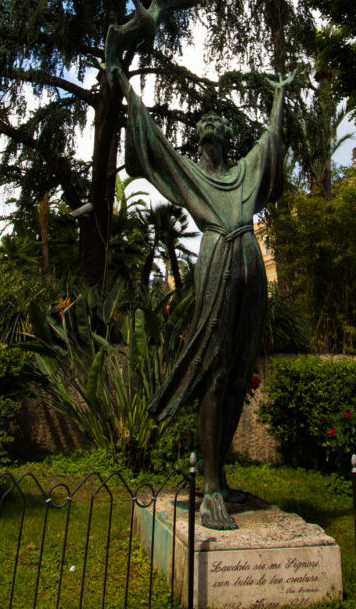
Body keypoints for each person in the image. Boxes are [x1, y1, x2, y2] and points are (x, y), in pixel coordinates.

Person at [111, 60, 290, 529]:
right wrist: (127, 89)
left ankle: (221, 476)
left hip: (250, 261)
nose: (210, 134)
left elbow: (269, 143)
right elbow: (153, 143)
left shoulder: (245, 173)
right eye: (204, 130)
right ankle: (209, 488)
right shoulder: (191, 174)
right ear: (198, 141)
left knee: (238, 375)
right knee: (216, 368)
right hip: (217, 260)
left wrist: (278, 95)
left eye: (217, 129)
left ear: (226, 138)